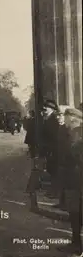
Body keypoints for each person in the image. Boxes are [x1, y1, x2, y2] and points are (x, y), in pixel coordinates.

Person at [57, 108, 83, 256]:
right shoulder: (76, 132)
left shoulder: (75, 133)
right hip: (76, 178)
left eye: (65, 117)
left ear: (72, 118)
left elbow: (72, 155)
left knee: (75, 213)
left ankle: (76, 245)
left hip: (75, 179)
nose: (63, 120)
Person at [42, 99, 60, 197]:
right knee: (51, 170)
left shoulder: (53, 119)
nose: (45, 109)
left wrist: (50, 150)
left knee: (54, 170)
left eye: (47, 107)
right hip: (50, 149)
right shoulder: (49, 118)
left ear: (52, 109)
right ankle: (53, 191)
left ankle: (54, 192)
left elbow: (54, 136)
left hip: (53, 150)